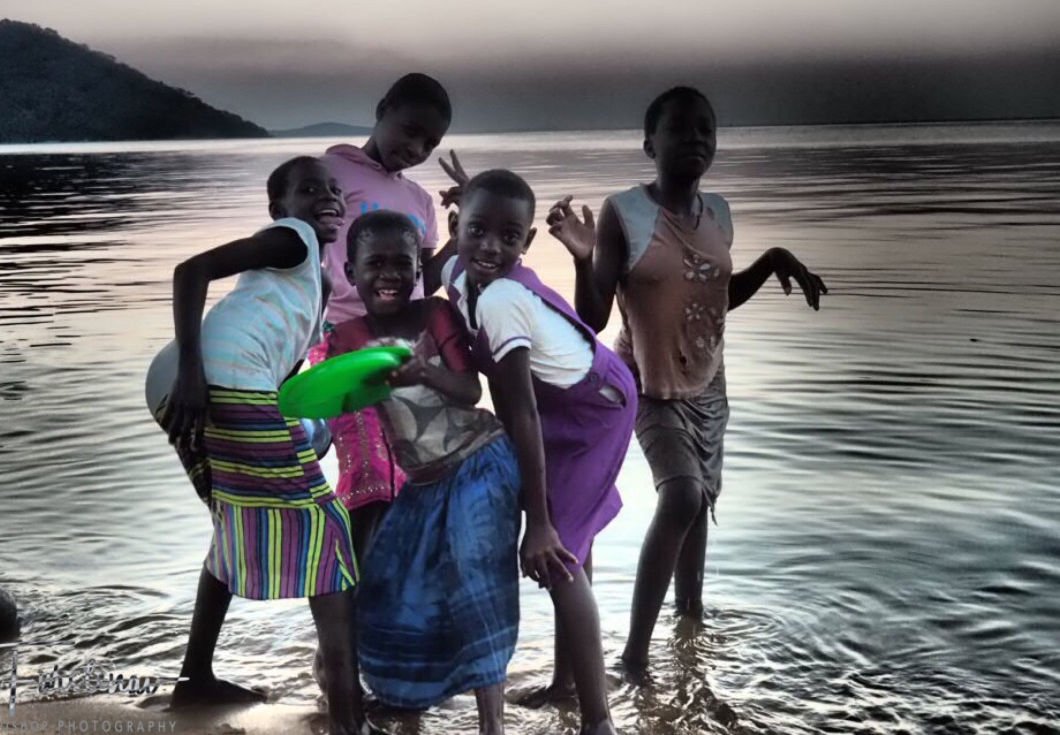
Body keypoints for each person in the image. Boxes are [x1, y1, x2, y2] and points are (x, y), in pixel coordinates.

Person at [544, 86, 829, 682]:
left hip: (708, 384)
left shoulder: (720, 212)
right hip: (647, 383)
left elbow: (713, 299)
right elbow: (593, 317)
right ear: (651, 143)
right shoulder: (625, 212)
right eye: (679, 129)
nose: (695, 138)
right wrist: (580, 257)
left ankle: (691, 630)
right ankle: (634, 659)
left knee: (699, 507)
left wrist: (773, 258)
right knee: (682, 496)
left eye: (706, 129)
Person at [146, 156, 384, 735]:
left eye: (334, 191)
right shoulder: (294, 240)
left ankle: (194, 679)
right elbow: (190, 270)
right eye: (308, 191)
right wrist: (194, 376)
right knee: (328, 535)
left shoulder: (316, 281)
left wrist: (306, 434)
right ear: (280, 208)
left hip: (192, 383)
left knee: (233, 525)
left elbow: (285, 384)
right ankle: (348, 722)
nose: (327, 199)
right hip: (209, 381)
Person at [443, 170, 636, 735]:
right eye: (477, 231)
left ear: (527, 245)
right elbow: (440, 261)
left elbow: (521, 411)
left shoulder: (501, 298)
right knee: (573, 543)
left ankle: (598, 721)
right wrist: (469, 193)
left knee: (558, 557)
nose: (491, 248)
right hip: (562, 401)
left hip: (593, 407)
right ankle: (566, 684)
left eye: (509, 238)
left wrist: (539, 521)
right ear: (456, 228)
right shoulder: (461, 273)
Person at [326, 210, 522, 734]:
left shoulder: (433, 316)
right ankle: (408, 707)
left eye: (402, 264)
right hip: (423, 483)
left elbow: (470, 390)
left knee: (475, 580)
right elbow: (328, 402)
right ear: (350, 270)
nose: (388, 274)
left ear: (419, 270)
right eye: (375, 263)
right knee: (389, 585)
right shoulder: (345, 336)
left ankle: (492, 727)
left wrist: (424, 371)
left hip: (480, 462)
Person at [313, 73, 457, 562]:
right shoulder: (329, 172)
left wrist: (461, 234)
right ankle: (347, 614)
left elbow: (425, 282)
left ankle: (383, 599)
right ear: (382, 109)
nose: (417, 147)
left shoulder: (420, 201)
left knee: (408, 474)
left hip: (404, 347)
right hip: (342, 341)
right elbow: (298, 248)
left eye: (430, 142)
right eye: (411, 130)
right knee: (369, 475)